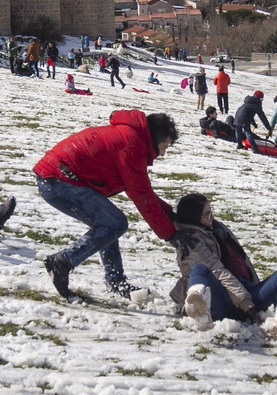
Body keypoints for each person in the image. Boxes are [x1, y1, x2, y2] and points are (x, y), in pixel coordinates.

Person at [34, 110, 178, 299]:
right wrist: (171, 234)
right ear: (155, 138)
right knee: (114, 223)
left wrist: (171, 214)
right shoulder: (132, 144)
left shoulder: (131, 138)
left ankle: (115, 280)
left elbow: (138, 188)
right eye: (164, 146)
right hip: (59, 180)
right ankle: (63, 261)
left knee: (109, 221)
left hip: (58, 177)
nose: (163, 153)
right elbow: (141, 194)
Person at [170, 193, 277, 340]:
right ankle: (199, 309)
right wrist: (249, 307)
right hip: (220, 299)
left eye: (211, 212)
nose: (211, 218)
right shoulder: (190, 241)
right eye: (206, 215)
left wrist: (249, 300)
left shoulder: (214, 229)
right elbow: (217, 271)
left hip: (244, 293)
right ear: (194, 217)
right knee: (199, 269)